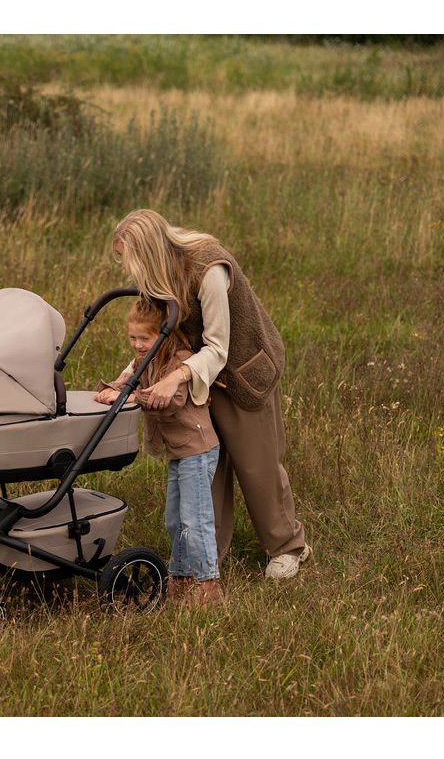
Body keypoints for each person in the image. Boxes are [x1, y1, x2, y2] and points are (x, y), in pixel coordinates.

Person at [108, 209, 311, 579]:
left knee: (257, 465)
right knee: (205, 466)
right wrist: (128, 377)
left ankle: (287, 547)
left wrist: (175, 378)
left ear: (147, 252)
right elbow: (160, 337)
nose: (128, 269)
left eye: (128, 259)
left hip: (241, 373)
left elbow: (218, 347)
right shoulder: (158, 279)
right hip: (199, 375)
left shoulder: (208, 268)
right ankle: (206, 554)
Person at [95, 299, 223, 605]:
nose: (137, 344)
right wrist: (112, 389)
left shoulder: (180, 360)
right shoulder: (146, 360)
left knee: (195, 520)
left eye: (144, 338)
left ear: (163, 335)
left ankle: (208, 584)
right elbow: (129, 383)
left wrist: (131, 398)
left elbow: (171, 401)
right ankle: (181, 576)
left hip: (197, 449)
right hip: (178, 451)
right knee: (174, 521)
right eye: (133, 337)